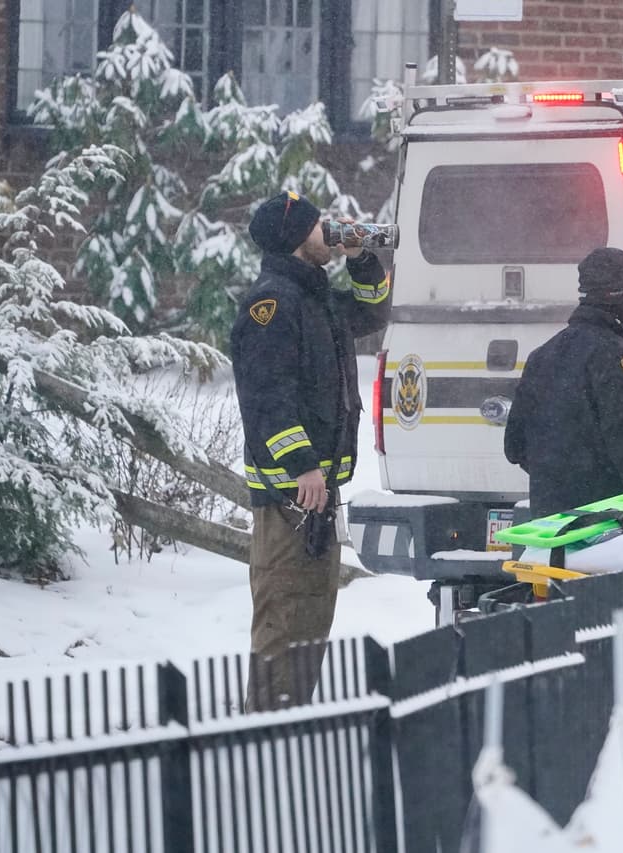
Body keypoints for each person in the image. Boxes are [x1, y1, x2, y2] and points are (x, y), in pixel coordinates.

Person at [231, 191, 391, 711]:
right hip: (289, 495)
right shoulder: (271, 306)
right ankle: (264, 732)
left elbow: (373, 311)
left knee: (313, 614)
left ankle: (292, 717)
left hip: (317, 495)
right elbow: (267, 397)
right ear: (299, 238)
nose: (329, 229)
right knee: (283, 614)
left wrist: (362, 255)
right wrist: (302, 465)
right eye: (320, 225)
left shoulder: (315, 300)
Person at [504, 247, 623, 517]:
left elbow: (514, 446)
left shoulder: (541, 355)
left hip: (549, 523)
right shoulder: (621, 358)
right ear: (622, 301)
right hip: (607, 523)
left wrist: (558, 477)